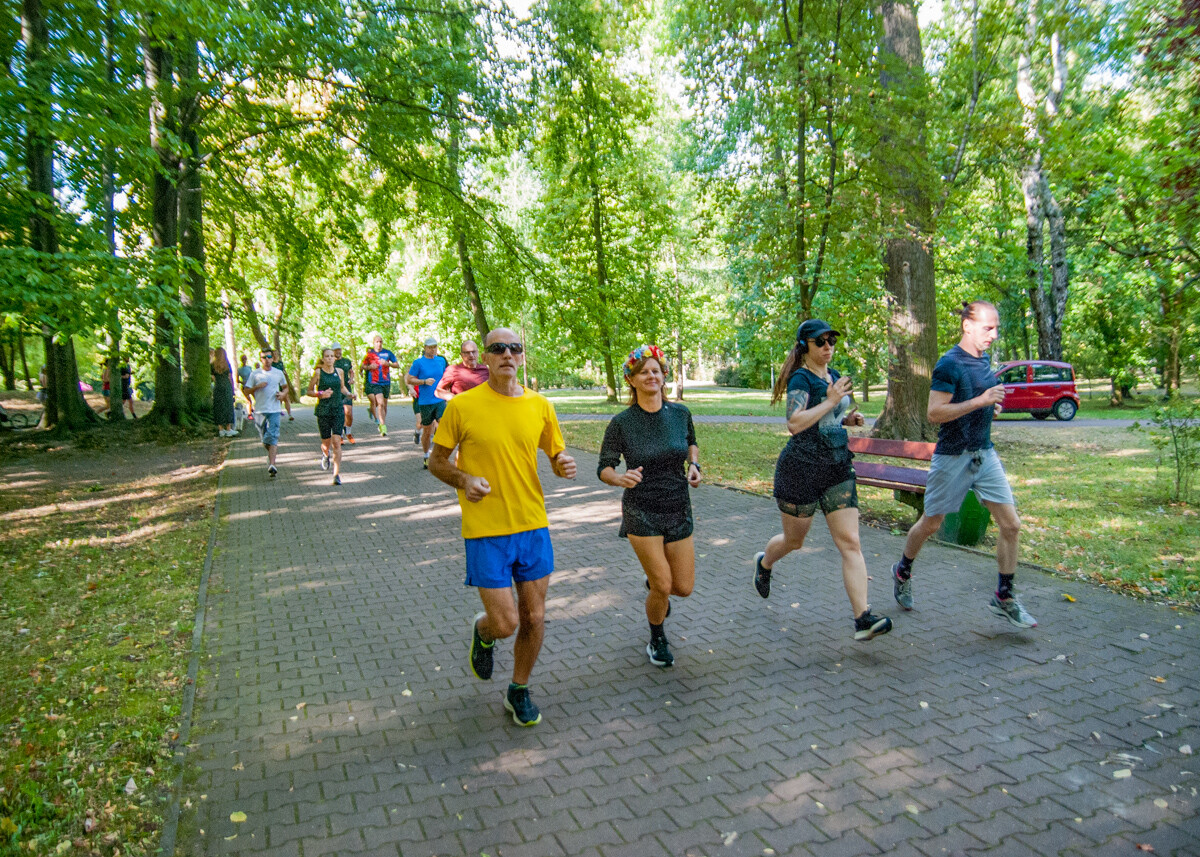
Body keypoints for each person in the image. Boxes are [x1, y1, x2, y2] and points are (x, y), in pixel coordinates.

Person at [427, 328, 577, 727]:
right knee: (506, 623)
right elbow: (436, 461)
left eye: (515, 348)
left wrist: (561, 463)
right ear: (485, 359)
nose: (507, 354)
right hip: (485, 530)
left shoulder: (540, 405)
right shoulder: (462, 407)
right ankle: (484, 631)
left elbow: (554, 450)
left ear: (521, 357)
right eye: (497, 348)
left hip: (532, 525)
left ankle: (519, 689)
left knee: (535, 617)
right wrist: (464, 480)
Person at [891, 301, 1036, 629]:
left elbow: (976, 401)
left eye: (996, 327)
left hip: (984, 454)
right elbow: (934, 413)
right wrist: (980, 402)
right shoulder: (948, 364)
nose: (994, 335)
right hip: (952, 457)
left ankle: (1004, 596)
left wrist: (989, 409)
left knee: (1011, 525)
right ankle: (902, 570)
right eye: (988, 328)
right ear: (968, 326)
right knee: (930, 524)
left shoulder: (983, 360)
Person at [752, 319, 893, 643]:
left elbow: (827, 417)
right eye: (821, 341)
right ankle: (765, 561)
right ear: (806, 346)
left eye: (832, 340)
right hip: (801, 469)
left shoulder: (833, 374)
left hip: (836, 467)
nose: (828, 346)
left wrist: (846, 418)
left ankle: (862, 618)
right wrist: (830, 402)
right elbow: (795, 422)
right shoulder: (801, 378)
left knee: (850, 542)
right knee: (794, 541)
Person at [598, 345, 701, 668]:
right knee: (663, 584)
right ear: (631, 379)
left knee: (682, 588)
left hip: (677, 505)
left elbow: (691, 443)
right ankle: (657, 637)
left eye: (656, 370)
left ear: (664, 376)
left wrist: (695, 466)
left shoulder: (680, 414)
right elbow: (604, 467)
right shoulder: (622, 423)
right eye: (644, 371)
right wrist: (619, 479)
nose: (651, 376)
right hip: (641, 510)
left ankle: (656, 586)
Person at [307, 348, 353, 485]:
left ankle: (336, 474)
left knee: (337, 441)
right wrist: (319, 394)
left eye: (332, 356)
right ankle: (325, 454)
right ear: (323, 358)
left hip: (338, 409)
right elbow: (309, 391)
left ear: (334, 358)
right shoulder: (318, 373)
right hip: (323, 411)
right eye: (327, 356)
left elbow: (342, 387)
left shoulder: (339, 372)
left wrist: (349, 394)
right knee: (326, 444)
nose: (329, 358)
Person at [406, 337, 449, 468]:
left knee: (443, 425)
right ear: (425, 348)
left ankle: (441, 455)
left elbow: (448, 375)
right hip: (425, 402)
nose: (433, 349)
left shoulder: (441, 360)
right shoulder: (418, 363)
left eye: (435, 347)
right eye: (430, 347)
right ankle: (426, 455)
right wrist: (424, 382)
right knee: (427, 430)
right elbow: (409, 379)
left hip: (440, 399)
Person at [244, 350, 288, 477]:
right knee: (264, 439)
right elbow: (246, 391)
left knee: (273, 435)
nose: (267, 359)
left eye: (269, 357)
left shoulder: (278, 373)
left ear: (273, 358)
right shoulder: (255, 374)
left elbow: (285, 387)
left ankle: (272, 464)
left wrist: (283, 394)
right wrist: (257, 387)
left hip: (274, 409)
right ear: (261, 359)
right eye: (264, 357)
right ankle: (271, 456)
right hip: (260, 410)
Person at [362, 334, 399, 436]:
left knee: (384, 405)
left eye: (380, 342)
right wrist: (369, 367)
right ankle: (383, 426)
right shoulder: (370, 355)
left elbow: (397, 365)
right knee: (380, 403)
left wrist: (388, 364)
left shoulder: (387, 353)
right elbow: (363, 366)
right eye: (377, 342)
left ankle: (382, 422)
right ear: (373, 343)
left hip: (386, 382)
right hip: (374, 382)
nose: (379, 344)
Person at [331, 344, 356, 444]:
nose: (338, 352)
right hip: (335, 391)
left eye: (339, 350)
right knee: (338, 414)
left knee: (348, 413)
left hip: (346, 389)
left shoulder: (346, 361)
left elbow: (351, 372)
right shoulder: (331, 362)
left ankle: (348, 432)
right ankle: (340, 435)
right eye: (336, 350)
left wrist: (351, 379)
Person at [211, 347, 236, 436]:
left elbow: (213, 378)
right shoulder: (226, 364)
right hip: (226, 387)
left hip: (218, 387)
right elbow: (230, 377)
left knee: (218, 407)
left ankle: (221, 429)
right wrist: (233, 389)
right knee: (228, 406)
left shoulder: (212, 365)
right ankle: (228, 428)